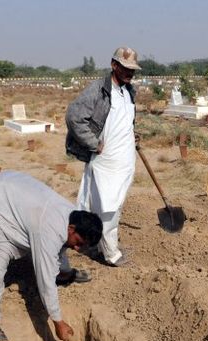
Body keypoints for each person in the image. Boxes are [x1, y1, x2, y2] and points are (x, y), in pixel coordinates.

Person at [0, 171, 103, 341]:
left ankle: (64, 273)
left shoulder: (71, 216)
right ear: (71, 228)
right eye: (79, 243)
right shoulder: (48, 228)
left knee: (55, 247)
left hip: (9, 195)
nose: (78, 249)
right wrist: (58, 321)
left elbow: (59, 247)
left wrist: (65, 272)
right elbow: (45, 280)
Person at [65, 46, 141, 267]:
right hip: (106, 163)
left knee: (111, 206)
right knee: (107, 209)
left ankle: (92, 241)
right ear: (114, 65)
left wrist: (131, 135)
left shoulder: (129, 91)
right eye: (126, 68)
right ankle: (111, 254)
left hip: (124, 162)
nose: (130, 73)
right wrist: (92, 143)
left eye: (133, 70)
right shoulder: (98, 90)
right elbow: (74, 117)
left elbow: (122, 121)